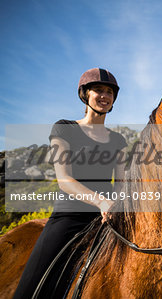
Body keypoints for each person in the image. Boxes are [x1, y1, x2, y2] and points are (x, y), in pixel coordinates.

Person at [13, 68, 127, 299]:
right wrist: (101, 202)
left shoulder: (118, 140)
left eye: (109, 92)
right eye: (98, 90)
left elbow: (122, 182)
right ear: (85, 94)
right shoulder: (65, 128)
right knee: (32, 284)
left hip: (107, 218)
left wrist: (119, 206)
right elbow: (65, 180)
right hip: (70, 216)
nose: (104, 96)